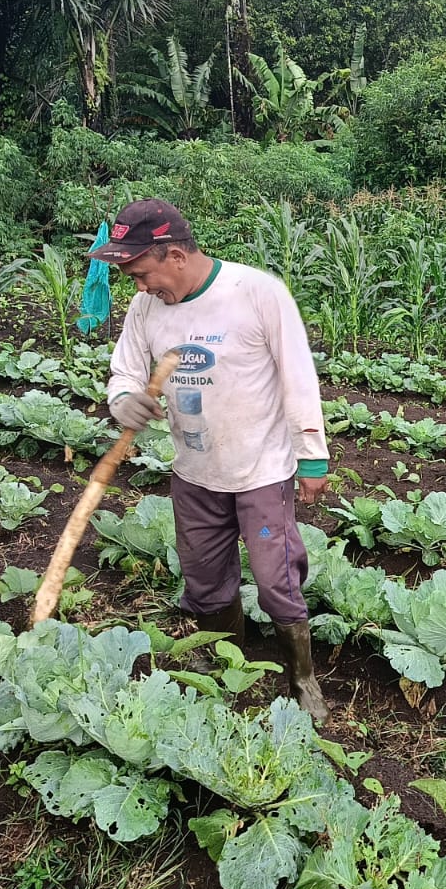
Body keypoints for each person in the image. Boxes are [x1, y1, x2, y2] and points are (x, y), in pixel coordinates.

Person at [89, 198, 331, 720]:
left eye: (141, 273)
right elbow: (125, 371)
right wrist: (123, 399)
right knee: (203, 578)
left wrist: (311, 457)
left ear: (175, 255)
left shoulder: (256, 293)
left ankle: (302, 679)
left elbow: (298, 375)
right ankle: (232, 666)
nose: (140, 287)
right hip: (195, 472)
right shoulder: (146, 309)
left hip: (261, 472)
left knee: (276, 580)